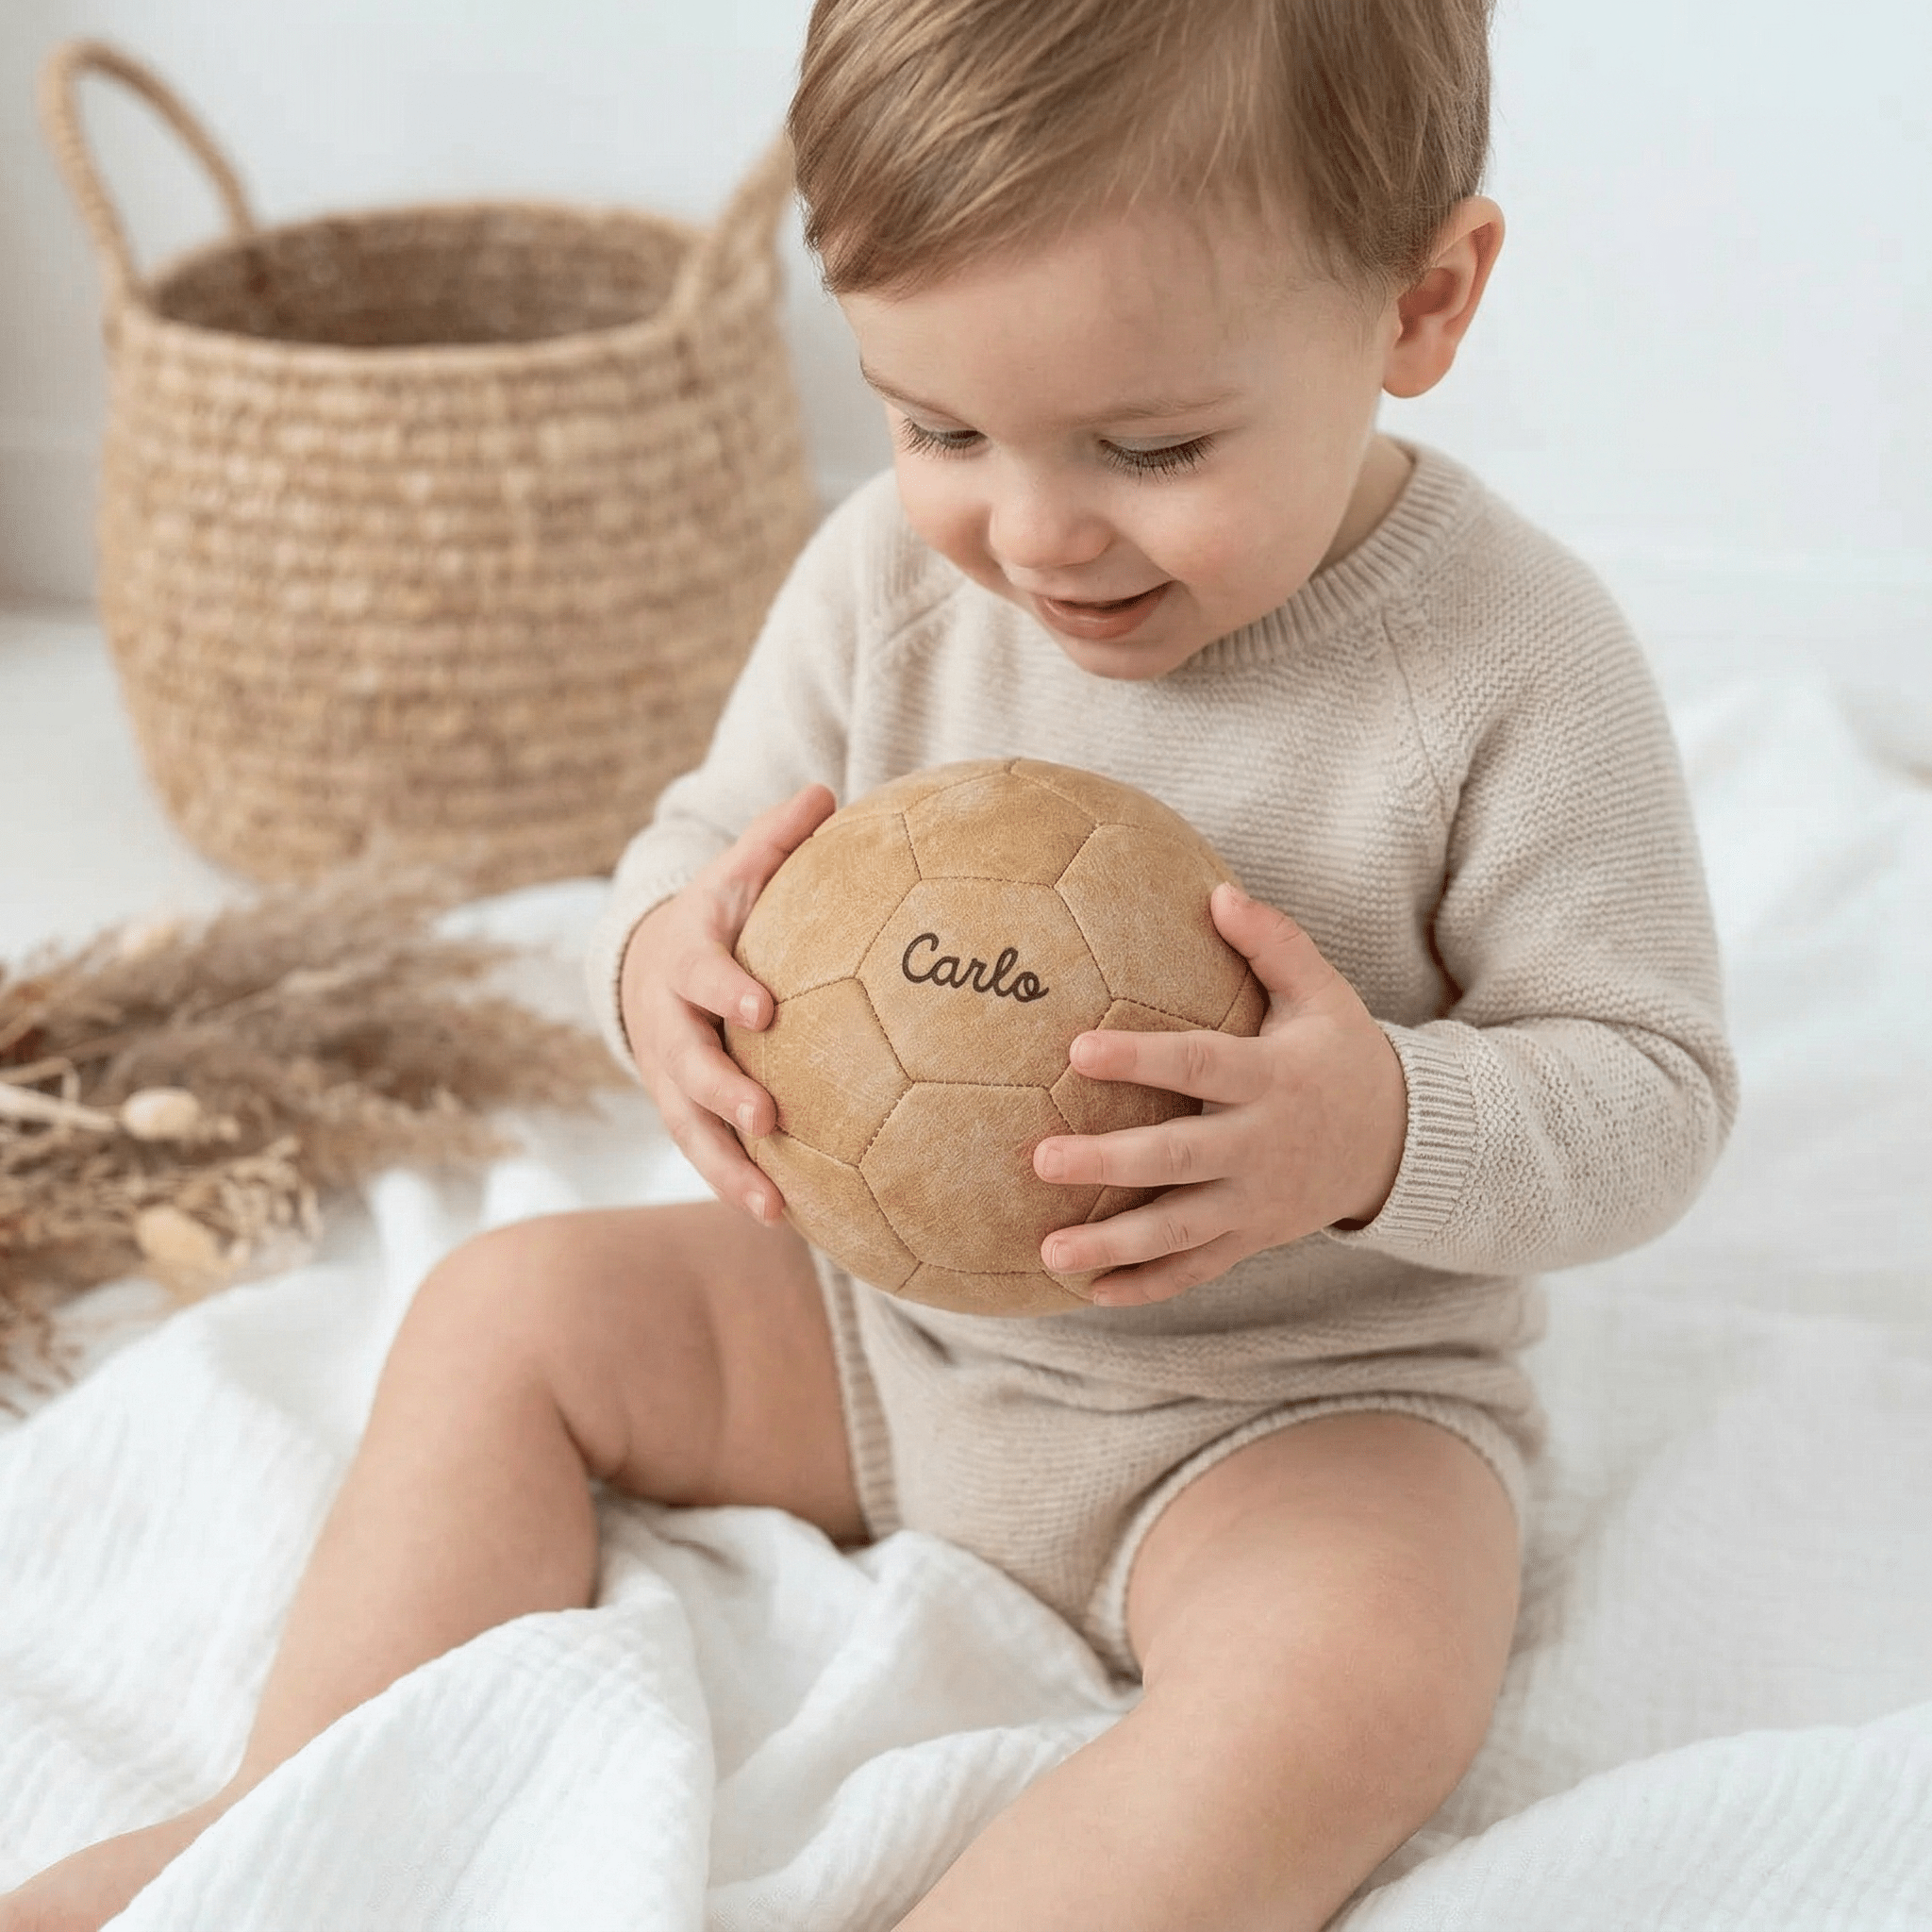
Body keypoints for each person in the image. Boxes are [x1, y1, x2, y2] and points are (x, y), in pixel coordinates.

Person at [1, 0, 1738, 1926]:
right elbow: (695, 842)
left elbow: (1649, 1093)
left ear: (1422, 303)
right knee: (506, 1309)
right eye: (935, 427)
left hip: (1293, 1400)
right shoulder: (884, 585)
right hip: (869, 1330)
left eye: (1148, 443)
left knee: (1358, 1682)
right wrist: (667, 962)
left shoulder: (1510, 673)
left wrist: (1376, 1124)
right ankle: (288, 1806)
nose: (1033, 525)